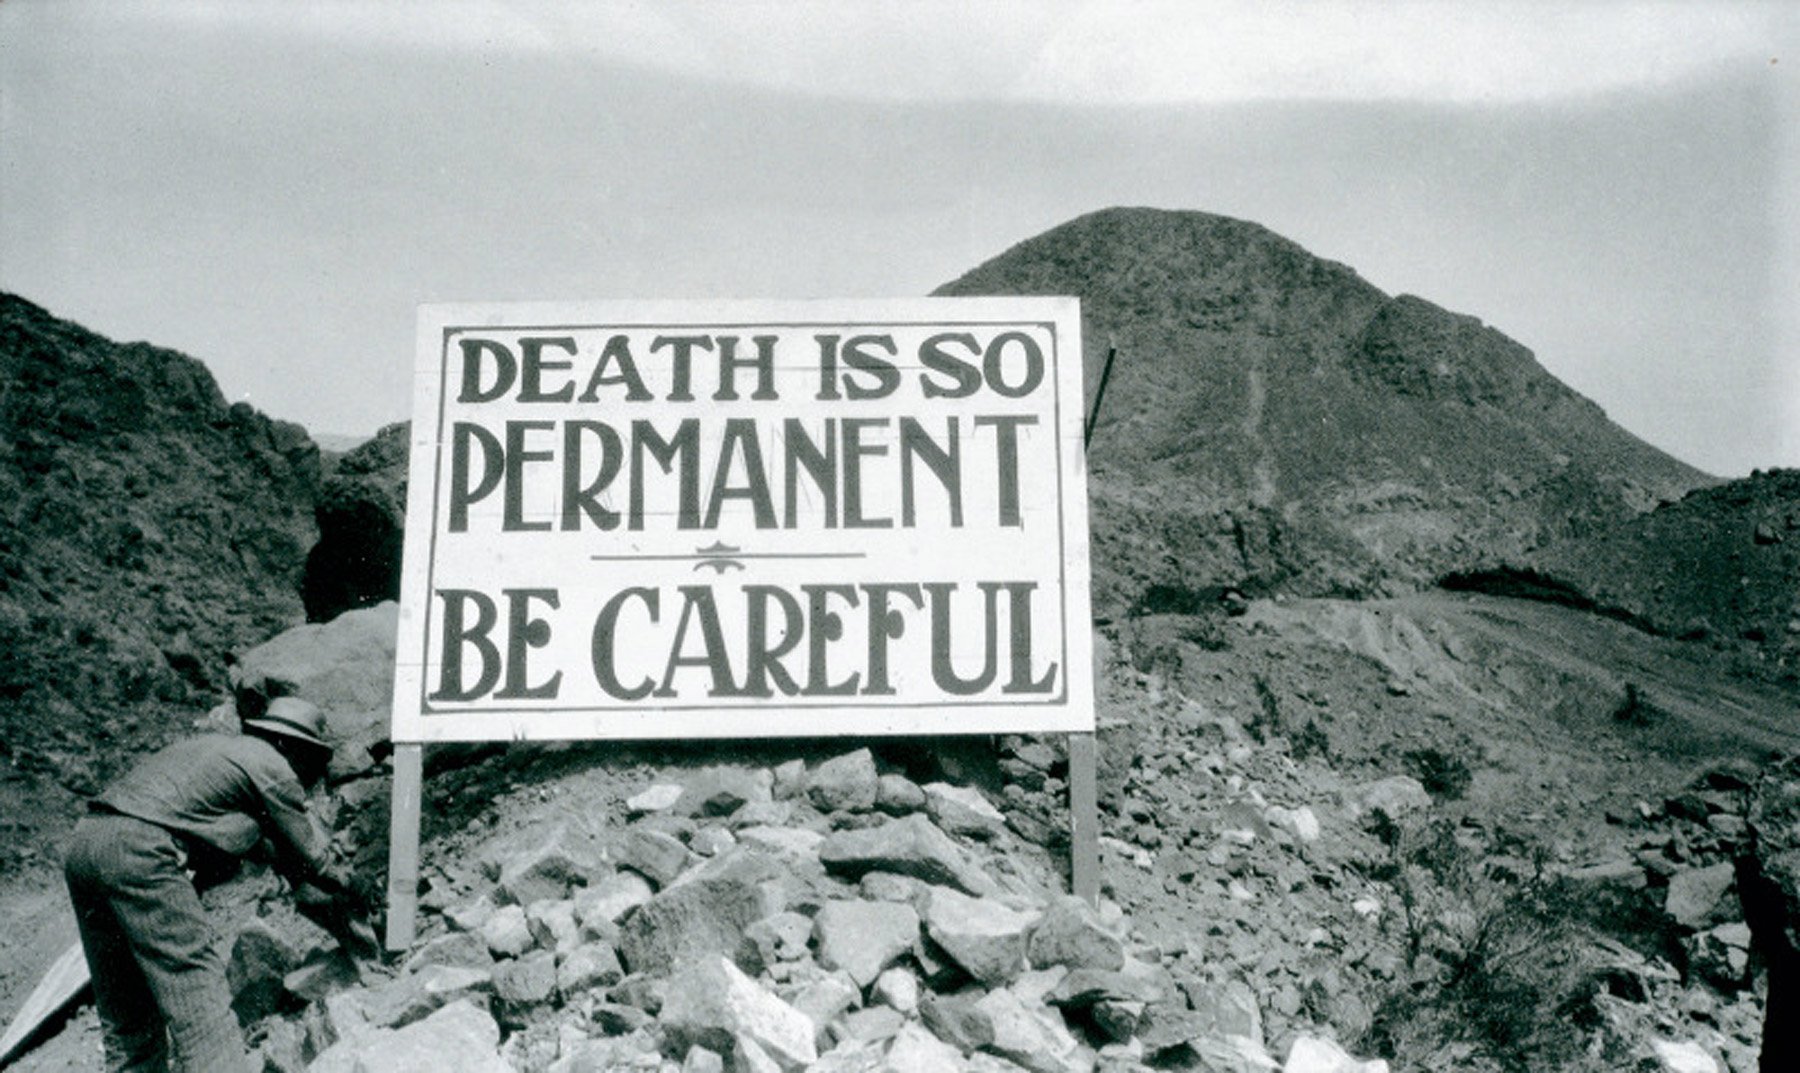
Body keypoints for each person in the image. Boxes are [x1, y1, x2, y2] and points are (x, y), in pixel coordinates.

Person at [63, 696, 364, 1073]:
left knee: (126, 1004)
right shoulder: (271, 763)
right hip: (140, 849)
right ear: (287, 743)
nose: (309, 772)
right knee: (197, 991)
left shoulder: (214, 753)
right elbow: (312, 857)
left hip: (85, 841)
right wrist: (357, 883)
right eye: (311, 757)